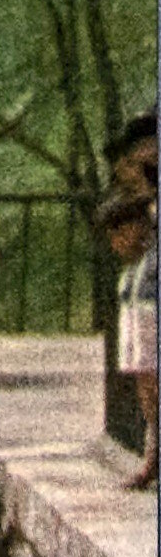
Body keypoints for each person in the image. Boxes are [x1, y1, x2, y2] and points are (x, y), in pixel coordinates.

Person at [109, 191, 157, 492]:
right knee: (147, 393)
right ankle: (152, 458)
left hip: (150, 317)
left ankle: (153, 460)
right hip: (139, 318)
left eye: (118, 235)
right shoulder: (133, 267)